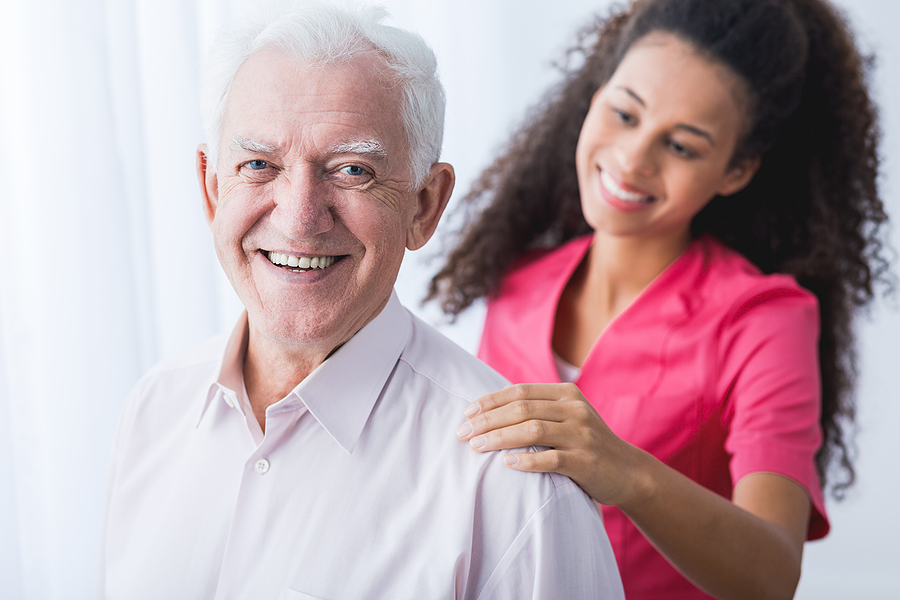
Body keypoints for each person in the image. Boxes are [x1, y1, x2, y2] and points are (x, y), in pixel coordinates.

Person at [97, 2, 625, 599]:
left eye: (351, 170)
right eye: (259, 165)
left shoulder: (514, 483)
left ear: (424, 206)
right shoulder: (153, 410)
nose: (299, 220)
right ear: (212, 190)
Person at [429, 0, 891, 599]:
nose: (633, 158)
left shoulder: (763, 319)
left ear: (736, 170)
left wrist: (627, 472)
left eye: (683, 146)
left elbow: (774, 574)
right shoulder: (518, 284)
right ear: (595, 95)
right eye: (625, 114)